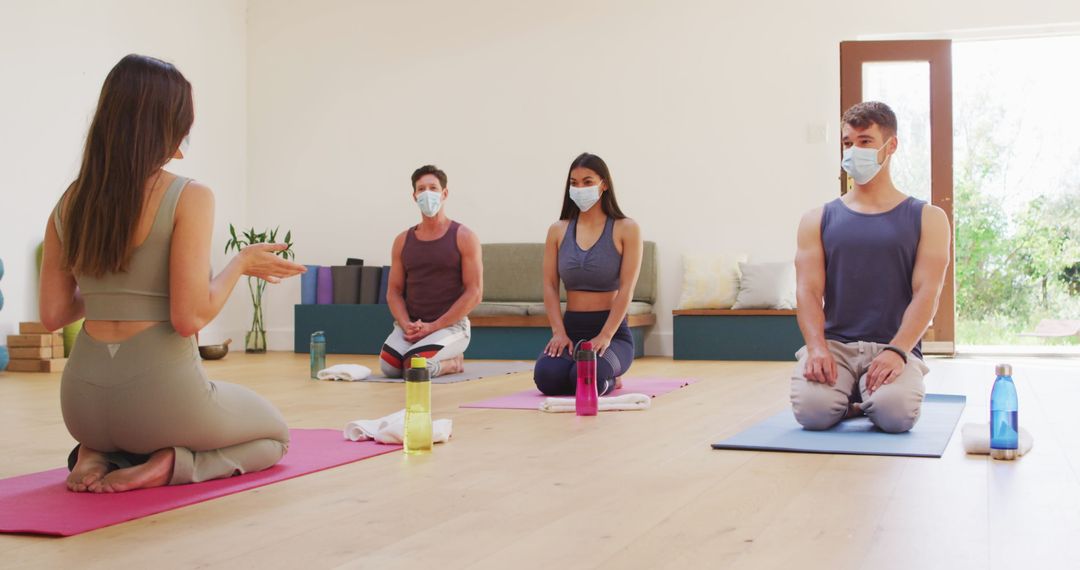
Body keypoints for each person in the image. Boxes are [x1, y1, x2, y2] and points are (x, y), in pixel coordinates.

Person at [39, 54, 306, 493]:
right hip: (158, 398)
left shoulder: (69, 201)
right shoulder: (188, 194)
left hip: (81, 404)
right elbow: (190, 318)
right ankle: (169, 465)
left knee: (128, 426)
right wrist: (240, 263)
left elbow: (54, 314)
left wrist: (115, 293)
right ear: (169, 125)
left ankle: (95, 452)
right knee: (274, 436)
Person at [791, 101, 951, 433]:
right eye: (848, 143)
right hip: (836, 346)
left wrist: (898, 351)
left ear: (890, 146)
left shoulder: (929, 218)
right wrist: (816, 348)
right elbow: (807, 291)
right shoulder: (816, 219)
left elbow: (927, 293)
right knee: (813, 414)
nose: (853, 151)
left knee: (895, 416)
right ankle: (850, 392)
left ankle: (864, 396)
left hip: (893, 344)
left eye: (865, 141)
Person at [533, 153, 643, 396]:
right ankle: (587, 367)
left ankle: (614, 377)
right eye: (574, 183)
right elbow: (550, 285)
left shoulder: (627, 228)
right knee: (546, 378)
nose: (580, 188)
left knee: (586, 378)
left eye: (587, 182)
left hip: (611, 331)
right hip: (571, 328)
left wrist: (605, 335)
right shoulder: (558, 230)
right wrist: (558, 332)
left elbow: (627, 288)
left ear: (603, 184)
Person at [380, 165, 482, 378]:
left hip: (451, 327)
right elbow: (394, 291)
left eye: (433, 188)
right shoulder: (402, 240)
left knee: (415, 366)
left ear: (444, 193)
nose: (427, 193)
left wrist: (434, 326)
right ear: (414, 196)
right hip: (412, 326)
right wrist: (406, 324)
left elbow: (475, 292)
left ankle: (452, 363)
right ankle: (425, 351)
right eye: (421, 189)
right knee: (389, 367)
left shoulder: (464, 236)